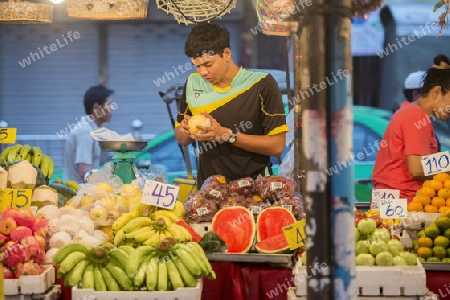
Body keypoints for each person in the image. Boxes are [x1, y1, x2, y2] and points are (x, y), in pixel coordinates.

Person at [174, 23, 288, 188]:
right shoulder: (193, 83)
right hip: (210, 191)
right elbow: (181, 138)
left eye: (208, 64)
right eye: (197, 66)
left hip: (255, 190)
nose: (203, 72)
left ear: (226, 54)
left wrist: (227, 135)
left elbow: (277, 146)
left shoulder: (262, 84)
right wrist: (185, 131)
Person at [372, 54, 450, 203]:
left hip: (395, 203)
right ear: (436, 92)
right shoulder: (416, 115)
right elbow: (417, 168)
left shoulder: (410, 112)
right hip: (402, 205)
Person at [63, 85, 114, 183]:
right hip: (78, 194)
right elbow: (84, 171)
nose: (112, 108)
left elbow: (108, 156)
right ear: (96, 108)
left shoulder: (95, 130)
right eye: (109, 104)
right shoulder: (85, 131)